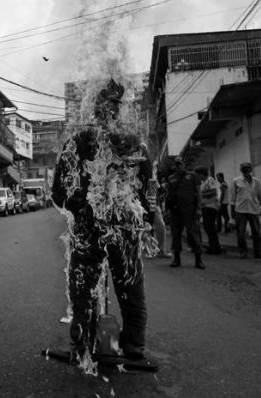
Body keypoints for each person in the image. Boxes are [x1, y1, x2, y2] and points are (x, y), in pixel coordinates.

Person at [51, 78, 153, 362]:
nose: (108, 112)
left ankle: (90, 341)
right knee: (119, 285)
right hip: (108, 230)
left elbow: (58, 194)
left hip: (103, 230)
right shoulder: (130, 145)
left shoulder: (85, 143)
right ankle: (125, 344)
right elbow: (147, 195)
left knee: (96, 286)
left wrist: (76, 204)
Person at [165, 157, 205, 269]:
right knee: (176, 234)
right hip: (175, 210)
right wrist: (167, 210)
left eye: (180, 164)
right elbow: (168, 194)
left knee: (192, 233)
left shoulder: (192, 176)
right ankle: (176, 259)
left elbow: (198, 192)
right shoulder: (171, 178)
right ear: (174, 166)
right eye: (176, 164)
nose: (178, 166)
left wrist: (198, 208)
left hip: (190, 210)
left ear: (184, 164)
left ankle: (199, 260)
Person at [230, 162, 261, 259]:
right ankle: (243, 252)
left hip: (254, 209)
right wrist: (232, 210)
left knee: (256, 232)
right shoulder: (236, 181)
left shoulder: (256, 181)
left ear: (250, 170)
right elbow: (233, 197)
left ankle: (257, 252)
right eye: (244, 169)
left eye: (247, 168)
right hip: (240, 210)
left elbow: (260, 194)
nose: (245, 170)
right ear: (241, 170)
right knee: (241, 233)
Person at [195, 166, 222, 254]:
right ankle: (213, 246)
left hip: (210, 206)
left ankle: (215, 248)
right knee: (208, 228)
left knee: (210, 227)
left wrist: (201, 194)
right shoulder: (203, 182)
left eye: (198, 175)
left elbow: (213, 192)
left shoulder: (210, 180)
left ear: (201, 174)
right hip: (206, 206)